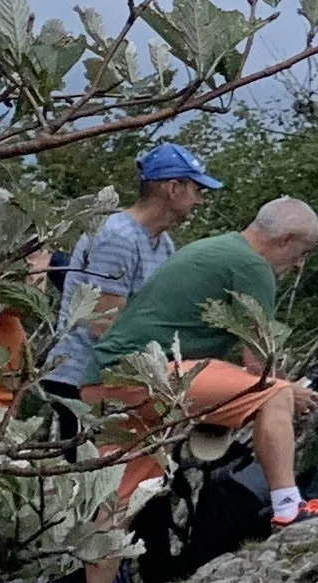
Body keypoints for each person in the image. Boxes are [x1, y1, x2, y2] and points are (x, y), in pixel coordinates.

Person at [96, 195, 318, 527]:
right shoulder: (253, 265)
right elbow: (259, 365)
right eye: (302, 253)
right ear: (286, 240)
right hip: (145, 376)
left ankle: (91, 580)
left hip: (106, 378)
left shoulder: (216, 248)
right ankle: (289, 505)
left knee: (120, 499)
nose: (299, 264)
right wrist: (291, 391)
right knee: (274, 393)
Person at [45, 142, 213, 396]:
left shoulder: (162, 242)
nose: (199, 200)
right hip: (80, 380)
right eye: (197, 189)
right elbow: (102, 326)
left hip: (115, 379)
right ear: (173, 188)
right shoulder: (118, 237)